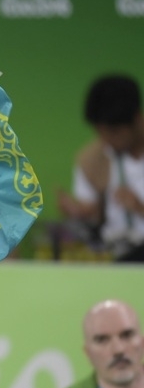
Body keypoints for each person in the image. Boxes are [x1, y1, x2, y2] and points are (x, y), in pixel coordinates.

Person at [57, 74, 144, 262]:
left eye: (114, 132)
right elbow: (90, 213)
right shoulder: (91, 159)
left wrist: (140, 208)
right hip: (115, 255)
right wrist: (80, 213)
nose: (107, 140)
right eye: (100, 132)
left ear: (137, 119)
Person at [40, 299, 144, 388]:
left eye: (126, 335)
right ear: (88, 353)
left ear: (142, 343)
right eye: (102, 340)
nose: (118, 349)